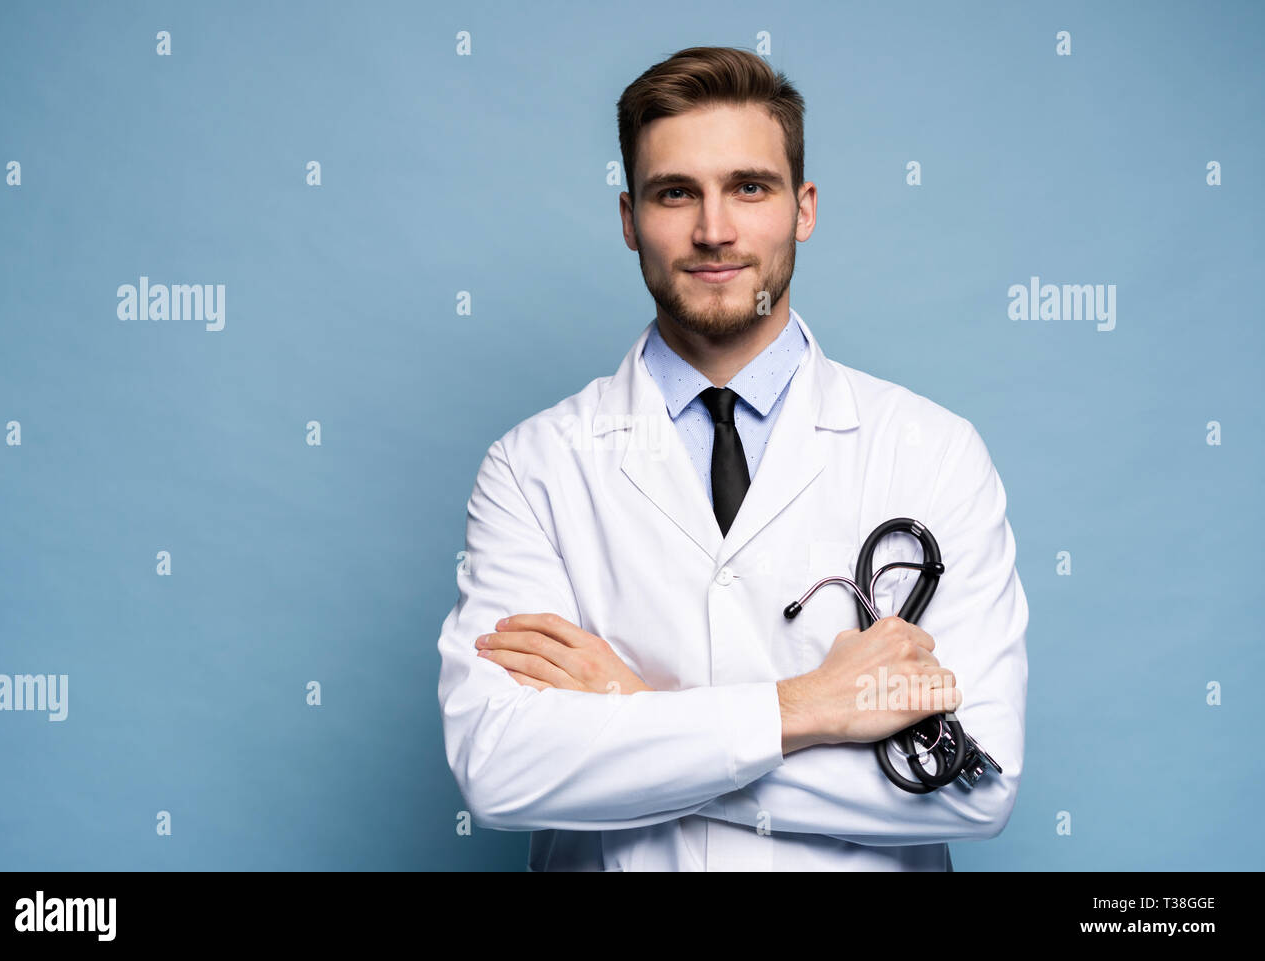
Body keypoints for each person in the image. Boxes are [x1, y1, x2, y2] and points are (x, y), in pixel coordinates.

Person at [436, 46, 1029, 871]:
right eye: (676, 193)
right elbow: (500, 769)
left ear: (804, 208)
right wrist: (807, 708)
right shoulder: (533, 467)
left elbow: (976, 784)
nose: (714, 230)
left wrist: (635, 713)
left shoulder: (933, 452)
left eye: (749, 187)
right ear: (627, 218)